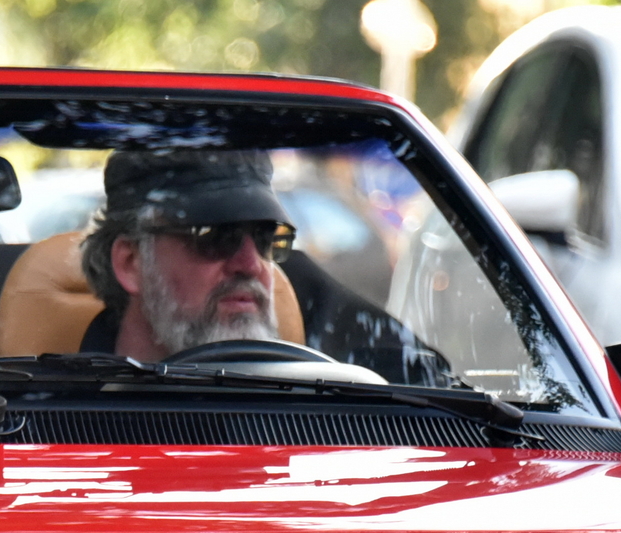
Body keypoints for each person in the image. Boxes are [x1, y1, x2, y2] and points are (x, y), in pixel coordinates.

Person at [76, 147, 412, 370]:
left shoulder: (316, 401)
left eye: (267, 240)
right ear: (132, 263)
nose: (252, 265)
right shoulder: (55, 417)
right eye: (213, 238)